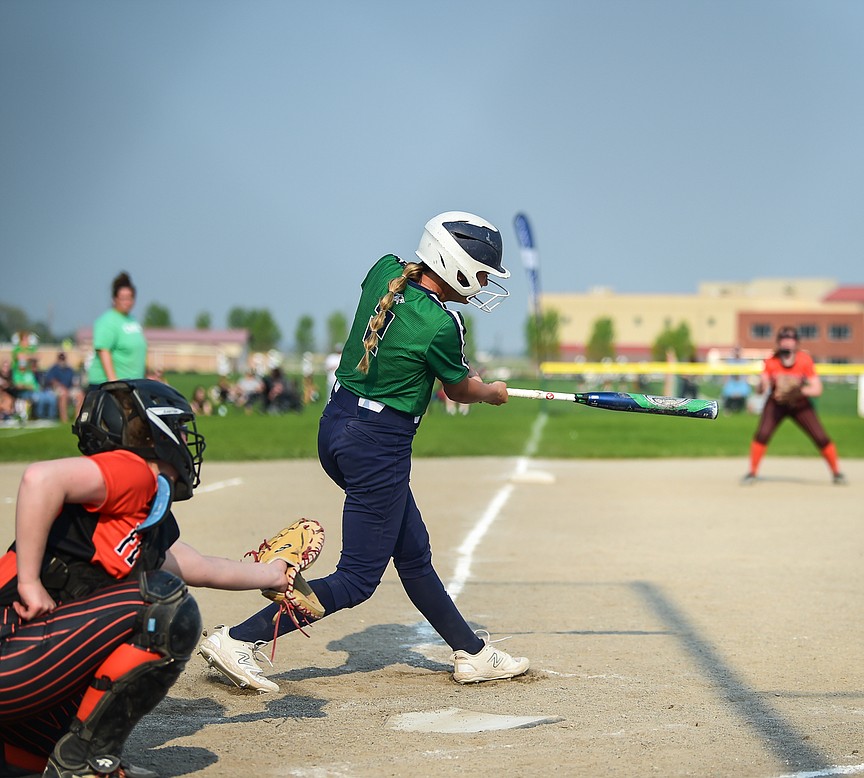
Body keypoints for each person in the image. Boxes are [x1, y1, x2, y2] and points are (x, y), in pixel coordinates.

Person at [196, 211, 529, 692]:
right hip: (378, 445)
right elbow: (459, 391)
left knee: (413, 555)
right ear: (454, 264)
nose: (480, 284)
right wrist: (491, 392)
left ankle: (471, 653)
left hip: (335, 430)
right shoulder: (443, 323)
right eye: (479, 272)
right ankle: (238, 640)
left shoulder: (384, 271)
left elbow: (399, 332)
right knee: (356, 579)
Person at [0, 379, 306, 777]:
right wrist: (29, 583)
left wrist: (272, 575)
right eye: (178, 428)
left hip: (24, 665)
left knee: (38, 759)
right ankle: (86, 765)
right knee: (163, 606)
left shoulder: (133, 517)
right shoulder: (132, 469)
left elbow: (198, 567)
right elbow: (40, 479)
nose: (185, 439)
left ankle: (45, 754)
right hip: (13, 653)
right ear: (152, 431)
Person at [742, 327, 845, 485]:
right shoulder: (772, 361)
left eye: (790, 340)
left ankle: (836, 472)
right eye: (784, 340)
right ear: (778, 343)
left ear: (796, 343)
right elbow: (761, 389)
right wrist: (762, 384)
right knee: (762, 434)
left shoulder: (804, 360)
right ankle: (752, 472)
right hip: (777, 403)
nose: (787, 343)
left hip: (799, 403)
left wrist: (798, 390)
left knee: (820, 437)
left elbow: (817, 389)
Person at [87, 272, 147, 386]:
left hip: (131, 384)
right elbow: (104, 350)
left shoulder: (132, 319)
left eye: (130, 298)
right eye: (123, 298)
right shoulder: (108, 320)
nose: (127, 302)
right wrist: (113, 383)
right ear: (115, 299)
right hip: (108, 386)